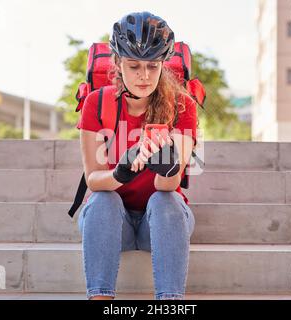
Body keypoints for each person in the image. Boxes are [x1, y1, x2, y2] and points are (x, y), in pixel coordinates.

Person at [76, 11, 198, 300]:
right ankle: (101, 300)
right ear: (118, 63)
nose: (144, 76)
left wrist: (167, 167)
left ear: (162, 65)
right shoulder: (96, 102)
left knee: (166, 200)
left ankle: (169, 303)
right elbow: (93, 180)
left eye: (152, 66)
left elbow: (170, 186)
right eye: (134, 66)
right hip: (111, 222)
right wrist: (121, 172)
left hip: (159, 222)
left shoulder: (182, 105)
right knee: (104, 198)